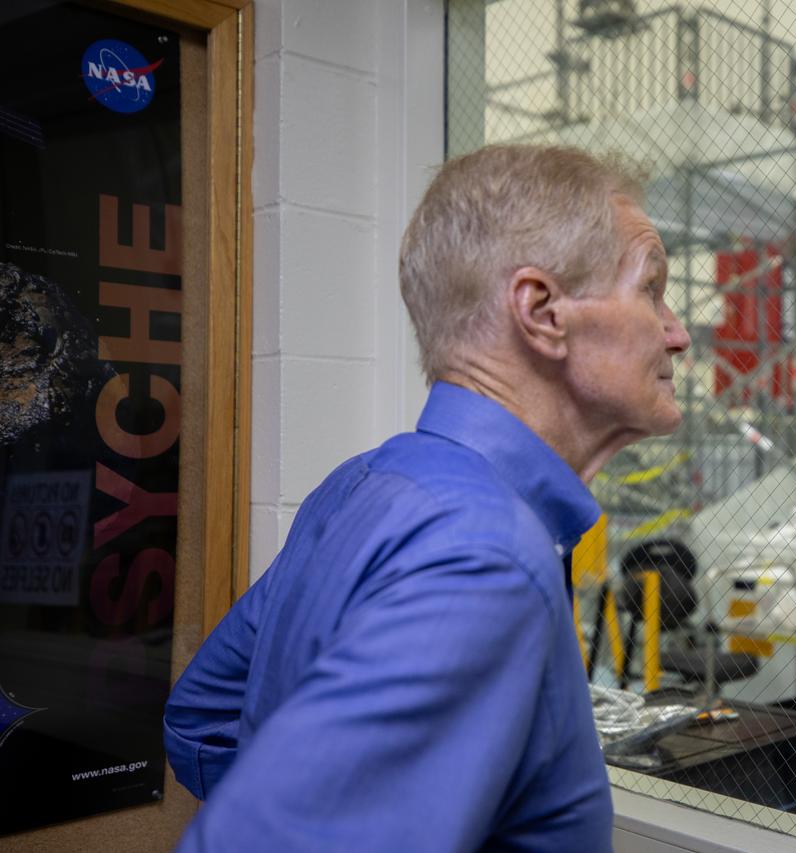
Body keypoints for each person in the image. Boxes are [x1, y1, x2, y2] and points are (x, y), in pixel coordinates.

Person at [164, 145, 691, 852]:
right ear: (542, 312)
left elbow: (202, 717)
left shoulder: (363, 485)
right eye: (651, 288)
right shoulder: (485, 554)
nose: (677, 331)